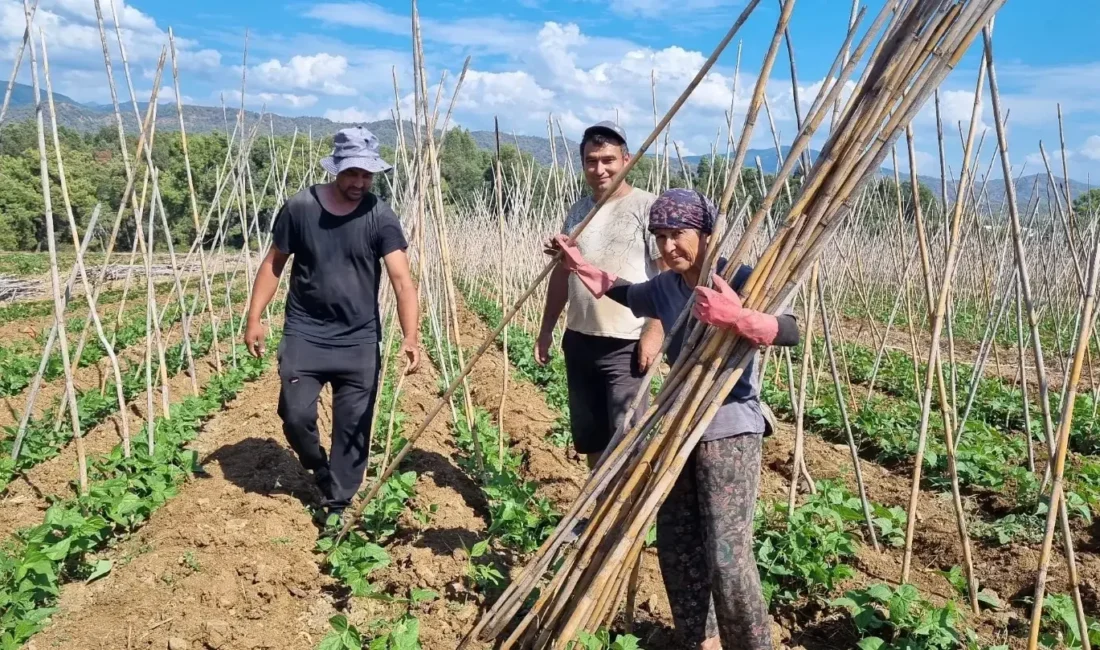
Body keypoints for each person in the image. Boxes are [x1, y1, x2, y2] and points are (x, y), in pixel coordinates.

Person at [549, 188, 799, 650]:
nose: (668, 247)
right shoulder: (667, 287)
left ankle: (750, 644)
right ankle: (700, 639)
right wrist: (577, 264)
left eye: (678, 235)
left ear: (706, 234)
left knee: (727, 554)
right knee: (677, 544)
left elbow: (790, 328)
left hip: (729, 427)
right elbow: (622, 291)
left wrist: (739, 318)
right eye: (659, 236)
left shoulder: (743, 277)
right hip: (677, 428)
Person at [245, 126, 420, 527]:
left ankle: (338, 503)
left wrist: (411, 336)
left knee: (354, 428)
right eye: (352, 173)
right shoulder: (301, 207)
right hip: (305, 332)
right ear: (336, 169)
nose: (360, 182)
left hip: (358, 339)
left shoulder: (379, 214)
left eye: (367, 175)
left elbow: (401, 279)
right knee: (294, 413)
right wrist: (254, 317)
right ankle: (318, 469)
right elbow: (274, 263)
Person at [536, 121, 665, 469]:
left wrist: (654, 331)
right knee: (591, 435)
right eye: (591, 161)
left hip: (627, 343)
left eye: (608, 159)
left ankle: (625, 516)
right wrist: (547, 328)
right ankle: (595, 511)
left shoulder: (649, 208)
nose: (600, 169)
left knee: (628, 436)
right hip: (579, 339)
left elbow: (667, 277)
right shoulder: (578, 212)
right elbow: (564, 274)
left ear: (626, 160)